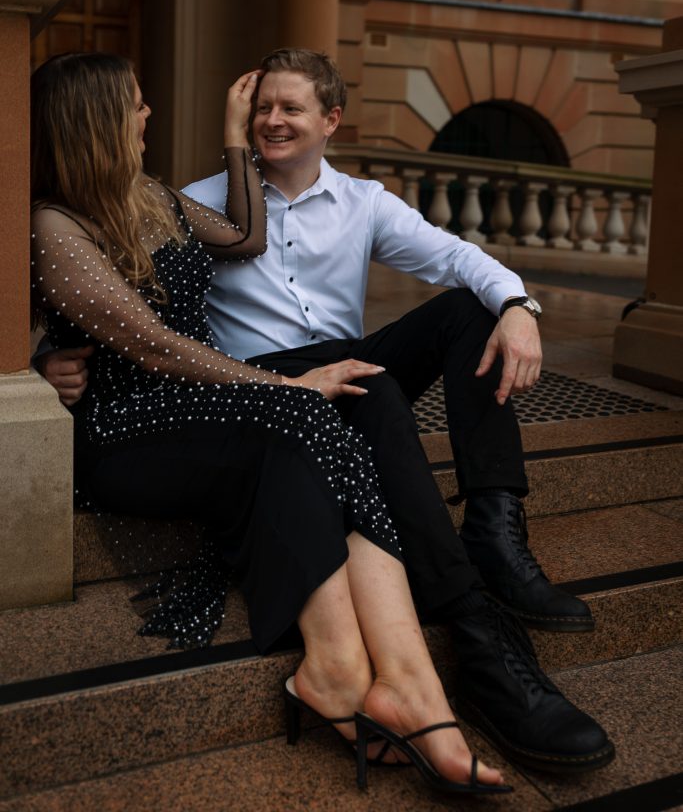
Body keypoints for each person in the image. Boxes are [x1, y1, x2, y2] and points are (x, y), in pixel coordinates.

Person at [39, 49, 615, 776]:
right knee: (365, 395)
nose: (272, 120)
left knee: (467, 313)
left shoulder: (340, 200)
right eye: (262, 108)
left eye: (290, 108)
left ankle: (494, 532)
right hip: (237, 384)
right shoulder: (170, 200)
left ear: (330, 120)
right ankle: (459, 639)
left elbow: (446, 256)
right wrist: (45, 359)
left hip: (317, 370)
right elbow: (117, 319)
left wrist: (517, 304)